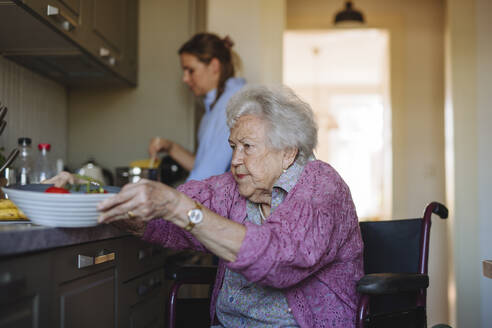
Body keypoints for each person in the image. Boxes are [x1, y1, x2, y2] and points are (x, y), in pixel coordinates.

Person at [46, 85, 363, 327]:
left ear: (288, 152)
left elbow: (280, 258)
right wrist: (88, 192)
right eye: (233, 147)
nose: (235, 159)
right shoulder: (233, 188)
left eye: (247, 147)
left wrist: (177, 207)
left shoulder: (321, 187)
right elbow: (161, 217)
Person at [149, 33, 246, 181]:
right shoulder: (213, 109)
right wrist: (171, 147)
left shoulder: (234, 103)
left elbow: (208, 174)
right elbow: (203, 166)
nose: (185, 78)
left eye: (190, 70)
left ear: (214, 66)